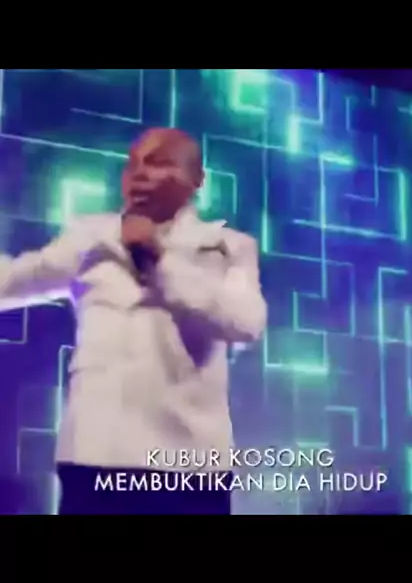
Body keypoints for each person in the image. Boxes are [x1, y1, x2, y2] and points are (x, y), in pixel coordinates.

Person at [0, 128, 267, 514]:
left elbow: (246, 322)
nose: (139, 173)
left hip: (188, 465)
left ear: (196, 179)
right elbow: (13, 281)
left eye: (158, 162)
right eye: (133, 163)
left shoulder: (229, 247)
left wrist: (158, 257)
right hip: (94, 457)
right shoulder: (90, 237)